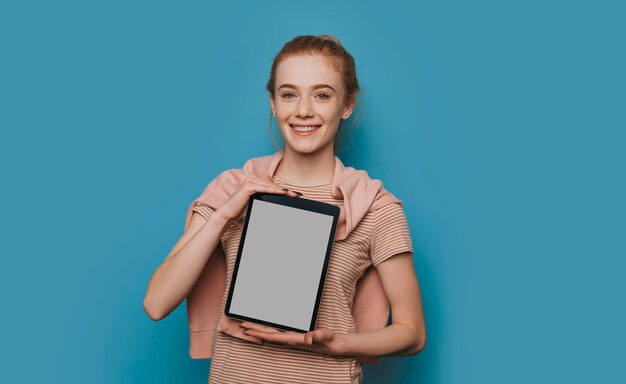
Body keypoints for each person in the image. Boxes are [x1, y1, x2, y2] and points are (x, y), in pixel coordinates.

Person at [143, 34, 426, 384]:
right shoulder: (232, 188)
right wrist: (223, 215)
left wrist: (336, 343)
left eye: (322, 95)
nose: (303, 110)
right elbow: (156, 303)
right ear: (273, 103)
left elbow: (412, 332)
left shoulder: (374, 206)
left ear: (347, 105)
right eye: (289, 94)